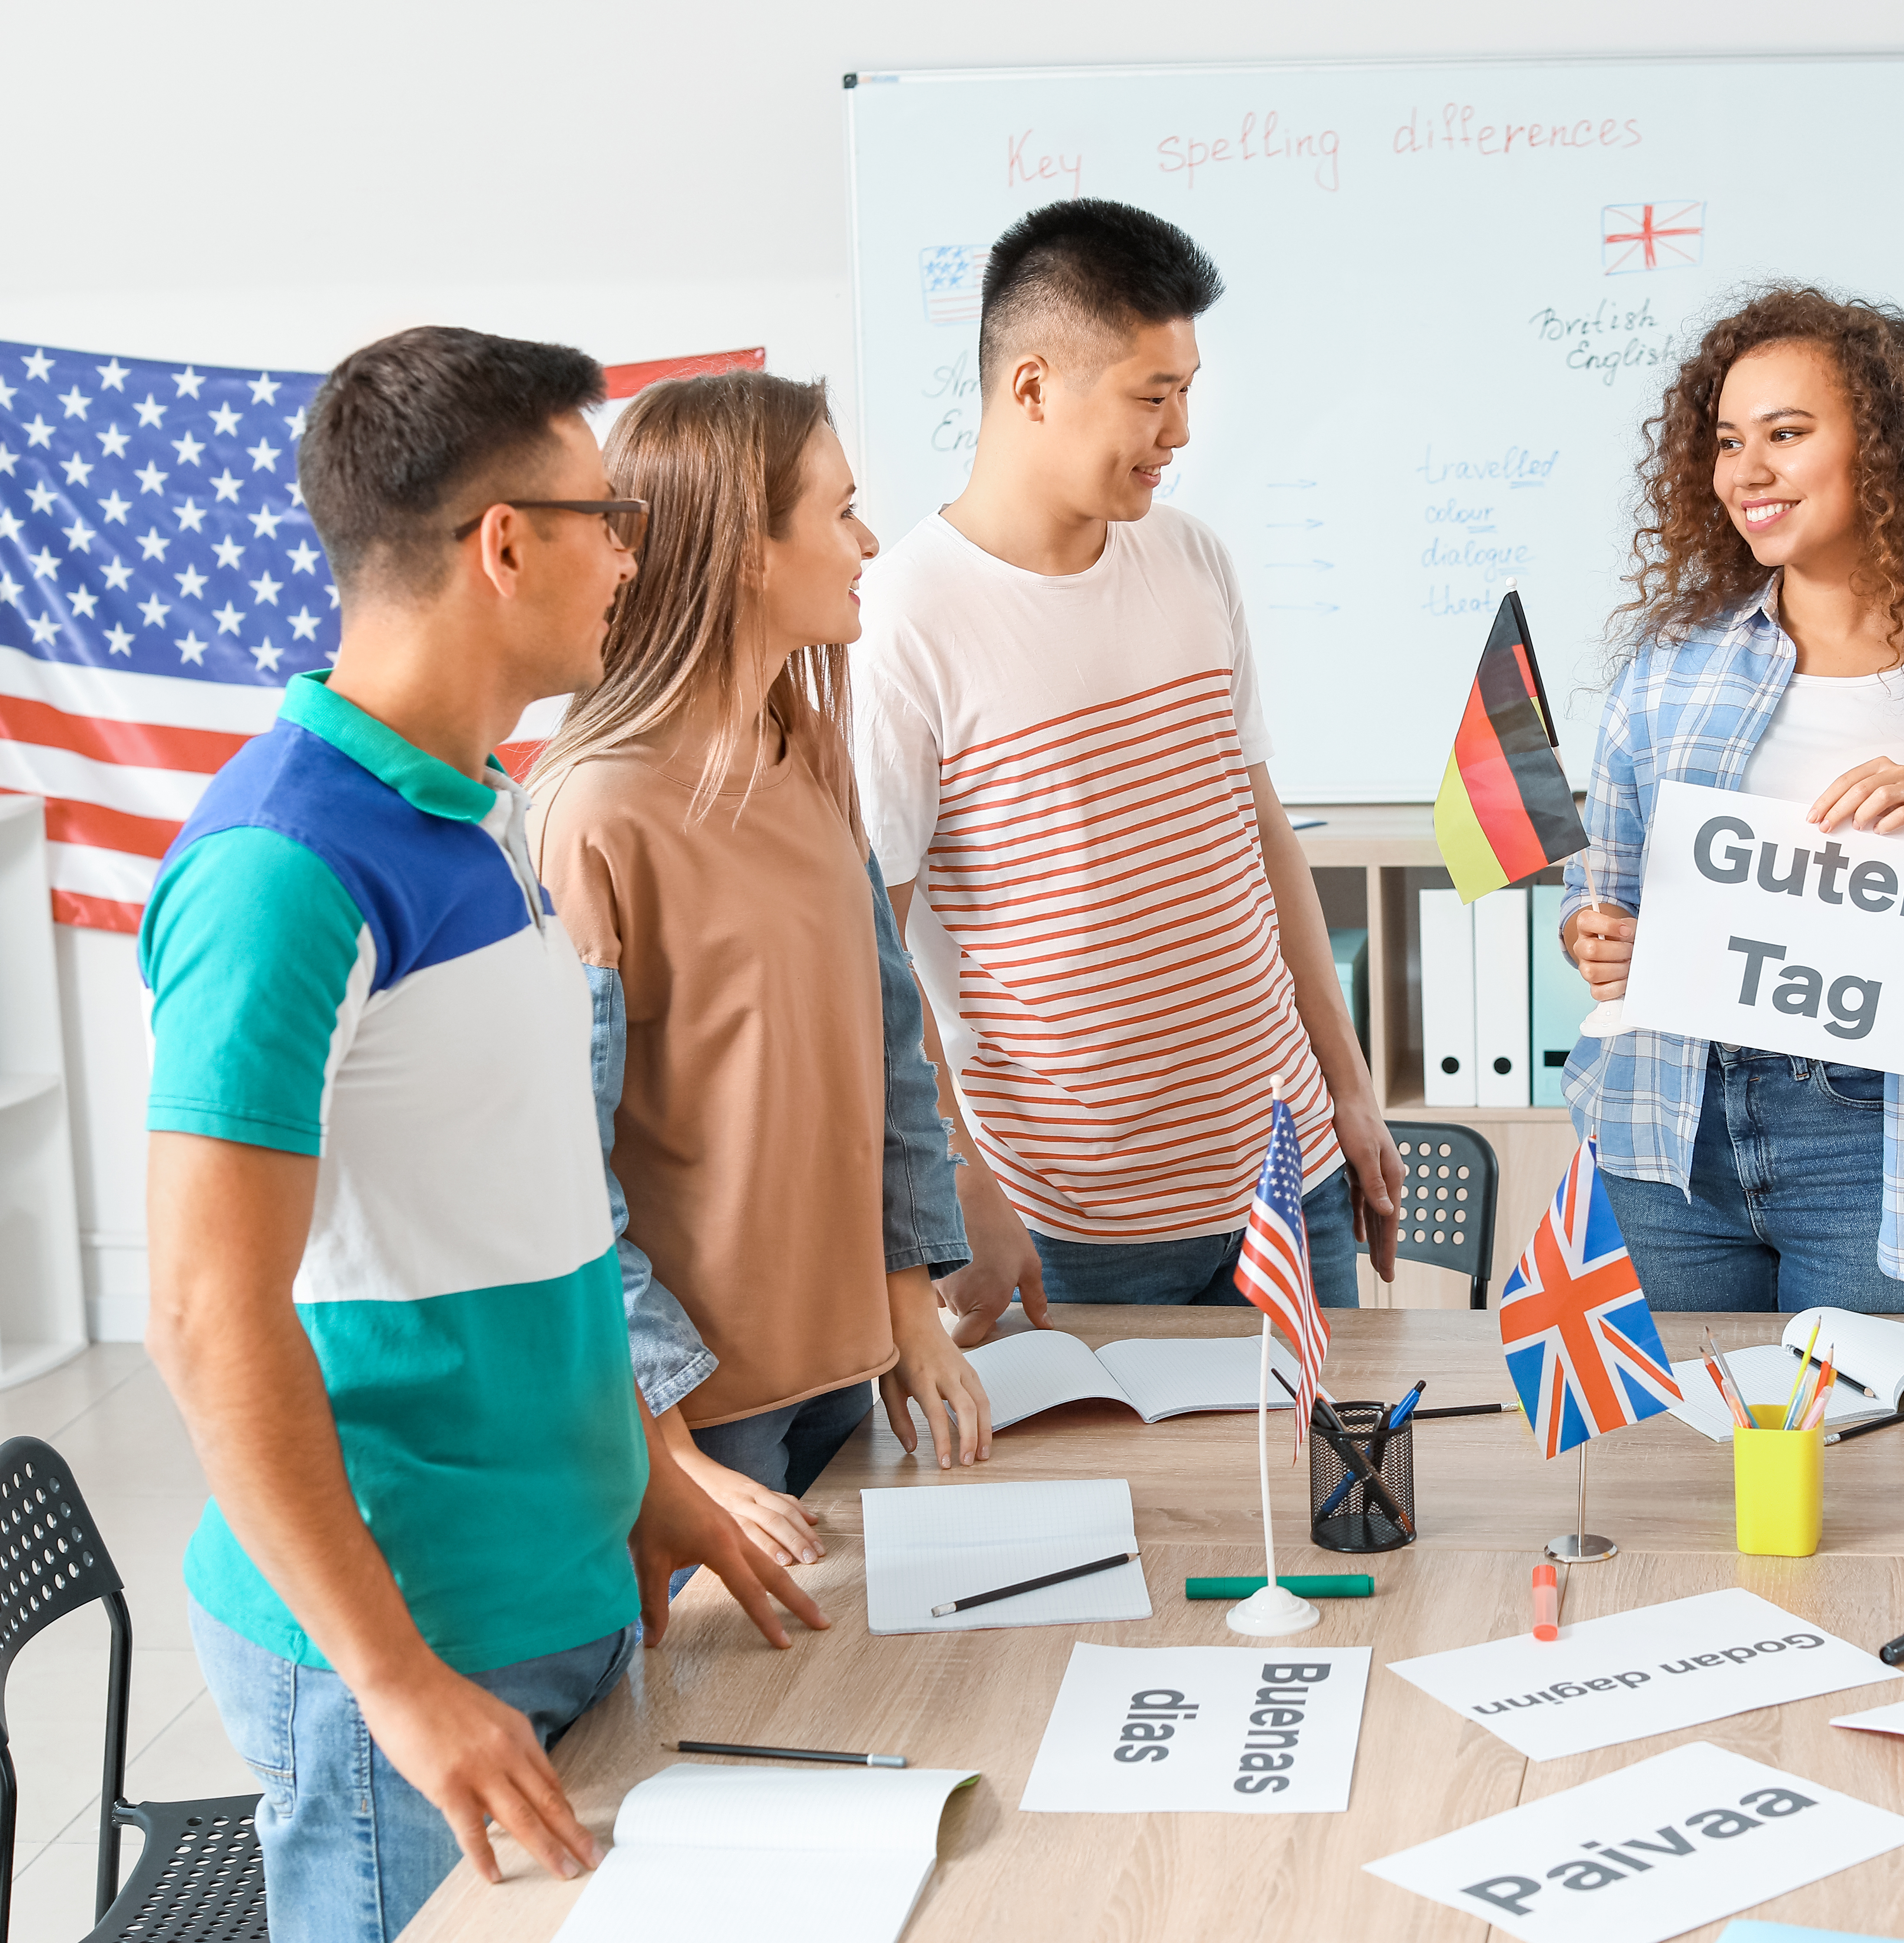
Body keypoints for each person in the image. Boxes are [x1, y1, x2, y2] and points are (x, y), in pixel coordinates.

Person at [139, 327, 822, 1943]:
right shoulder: (284, 866)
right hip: (419, 1646)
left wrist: (627, 1474)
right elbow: (199, 1310)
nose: (632, 555)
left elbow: (520, 1206)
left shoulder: (484, 806)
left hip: (557, 1581)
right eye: (608, 516)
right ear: (504, 543)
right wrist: (394, 1682)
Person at [852, 198, 1401, 1332]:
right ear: (1035, 387)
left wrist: (1349, 1090)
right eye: (1154, 396)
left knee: (1319, 1496)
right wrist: (964, 1190)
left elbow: (1263, 835)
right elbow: (873, 954)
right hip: (1066, 1224)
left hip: (1286, 1183)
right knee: (1126, 1516)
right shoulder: (904, 620)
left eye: (1187, 389)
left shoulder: (1193, 559)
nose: (1183, 430)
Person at [528, 370, 990, 1579]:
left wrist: (909, 1318)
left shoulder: (812, 752)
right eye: (840, 512)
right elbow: (561, 1182)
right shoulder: (594, 813)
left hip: (851, 1374)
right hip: (700, 1425)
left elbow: (887, 1055)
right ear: (745, 548)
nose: (870, 541)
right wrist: (668, 1447)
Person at [1557, 287, 1904, 1311]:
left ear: (1884, 450)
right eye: (1728, 440)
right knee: (1671, 1464)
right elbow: (1597, 906)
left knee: (1870, 1466)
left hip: (1874, 1152)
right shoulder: (1666, 678)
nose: (1746, 471)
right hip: (1668, 1137)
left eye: (1786, 434)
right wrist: (1597, 937)